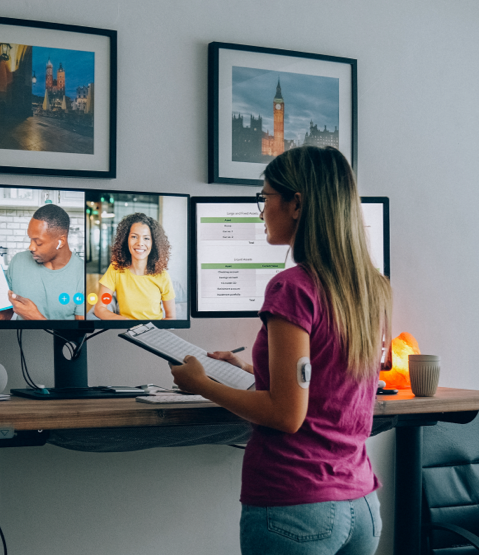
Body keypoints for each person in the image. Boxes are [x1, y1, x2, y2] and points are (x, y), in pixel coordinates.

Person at [169, 146, 392, 555]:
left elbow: (287, 415)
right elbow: (326, 388)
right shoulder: (370, 288)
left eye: (265, 197)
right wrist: (251, 372)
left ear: (296, 204)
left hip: (297, 504)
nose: (260, 210)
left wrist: (202, 384)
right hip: (361, 505)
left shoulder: (292, 287)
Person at [0, 204, 84, 321]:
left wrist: (35, 318)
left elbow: (78, 334)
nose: (31, 247)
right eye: (30, 239)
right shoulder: (18, 262)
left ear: (60, 242)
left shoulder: (82, 274)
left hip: (61, 340)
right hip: (22, 340)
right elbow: (3, 317)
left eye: (38, 242)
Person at [94, 212, 176, 320]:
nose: (140, 243)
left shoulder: (162, 275)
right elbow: (100, 308)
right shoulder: (115, 269)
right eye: (134, 236)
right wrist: (126, 322)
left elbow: (171, 317)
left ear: (154, 243)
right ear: (125, 239)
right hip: (125, 332)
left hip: (153, 332)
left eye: (146, 238)